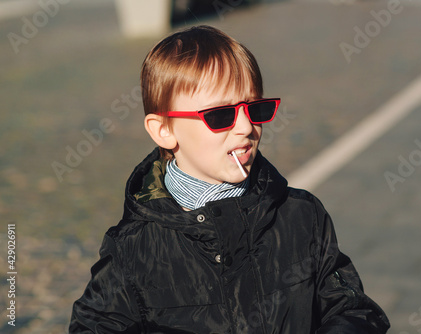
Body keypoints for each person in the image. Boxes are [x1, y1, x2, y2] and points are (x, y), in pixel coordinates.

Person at [70, 25, 390, 333]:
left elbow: (352, 308)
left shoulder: (302, 216)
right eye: (220, 115)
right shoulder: (133, 247)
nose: (245, 128)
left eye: (255, 109)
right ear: (163, 130)